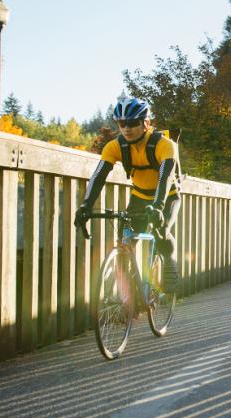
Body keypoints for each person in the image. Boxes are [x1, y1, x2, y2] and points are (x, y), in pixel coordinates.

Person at [73, 96, 180, 294]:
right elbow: (98, 176)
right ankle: (129, 299)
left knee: (162, 229)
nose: (126, 129)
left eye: (132, 123)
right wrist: (85, 206)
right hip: (139, 197)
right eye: (122, 124)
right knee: (125, 242)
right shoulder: (115, 147)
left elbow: (165, 178)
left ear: (145, 123)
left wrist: (157, 207)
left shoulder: (164, 145)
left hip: (167, 197)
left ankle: (169, 262)